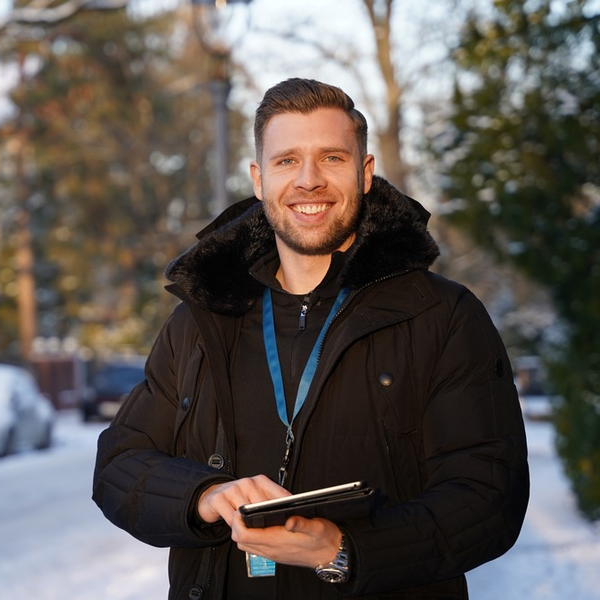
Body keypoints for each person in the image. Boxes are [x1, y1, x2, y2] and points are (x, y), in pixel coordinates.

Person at [92, 78, 529, 599]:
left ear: (365, 173)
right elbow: (120, 465)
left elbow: (489, 495)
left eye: (331, 158)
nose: (308, 180)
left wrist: (342, 549)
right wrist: (204, 495)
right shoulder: (202, 319)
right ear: (258, 179)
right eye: (286, 161)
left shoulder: (442, 315)